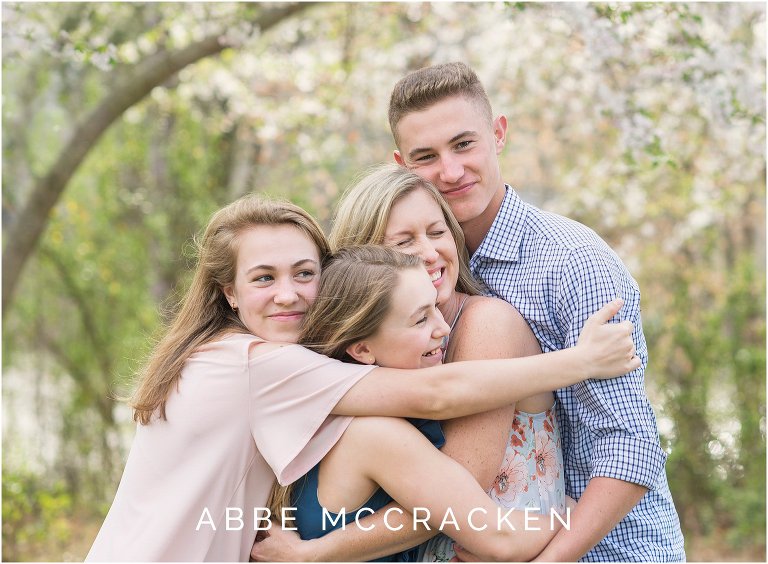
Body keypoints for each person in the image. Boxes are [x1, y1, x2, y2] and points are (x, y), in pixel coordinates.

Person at [85, 194, 638, 561]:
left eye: (306, 274)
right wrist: (582, 361)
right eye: (262, 278)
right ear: (228, 292)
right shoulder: (256, 365)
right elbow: (440, 394)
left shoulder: (220, 356)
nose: (289, 293)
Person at [388, 61, 685, 562]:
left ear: (498, 134)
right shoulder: (415, 271)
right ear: (401, 165)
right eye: (426, 157)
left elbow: (632, 446)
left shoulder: (572, 263)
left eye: (464, 145)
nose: (451, 171)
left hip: (607, 551)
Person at [270, 245, 568, 562]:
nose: (442, 328)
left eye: (436, 308)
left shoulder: (330, 414)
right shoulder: (376, 434)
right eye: (420, 320)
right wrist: (568, 517)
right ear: (361, 350)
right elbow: (498, 538)